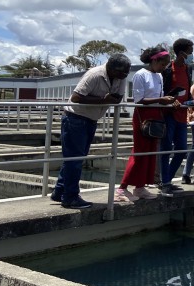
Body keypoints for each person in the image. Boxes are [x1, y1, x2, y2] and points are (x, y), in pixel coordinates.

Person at [51, 54, 131, 209]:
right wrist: (103, 100)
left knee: (76, 158)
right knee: (74, 159)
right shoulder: (94, 75)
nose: (124, 76)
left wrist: (105, 99)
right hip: (75, 118)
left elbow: (117, 98)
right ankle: (70, 197)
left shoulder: (120, 78)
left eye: (126, 73)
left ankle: (59, 191)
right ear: (112, 68)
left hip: (91, 119)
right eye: (122, 73)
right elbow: (76, 98)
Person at [116, 46, 179, 202]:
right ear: (154, 60)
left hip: (156, 116)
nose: (164, 67)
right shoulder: (140, 75)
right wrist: (160, 100)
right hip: (142, 116)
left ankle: (140, 187)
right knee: (139, 152)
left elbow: (160, 96)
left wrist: (170, 101)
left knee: (150, 154)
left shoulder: (159, 76)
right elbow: (139, 100)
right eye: (163, 64)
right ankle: (122, 189)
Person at [159, 38, 194, 194]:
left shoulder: (188, 69)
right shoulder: (167, 70)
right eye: (190, 51)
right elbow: (162, 92)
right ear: (182, 53)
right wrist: (169, 100)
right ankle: (165, 182)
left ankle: (167, 178)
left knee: (181, 149)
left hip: (182, 114)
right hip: (169, 114)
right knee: (166, 148)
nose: (192, 54)